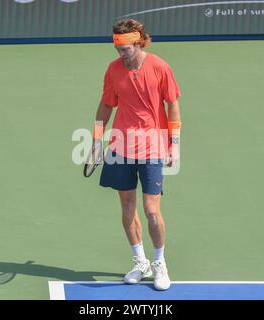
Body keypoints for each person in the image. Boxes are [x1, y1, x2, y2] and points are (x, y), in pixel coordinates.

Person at [92, 18, 181, 291]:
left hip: (153, 145)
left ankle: (159, 263)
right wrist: (97, 138)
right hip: (121, 146)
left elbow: (173, 106)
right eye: (118, 48)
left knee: (152, 210)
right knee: (127, 207)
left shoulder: (160, 67)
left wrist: (174, 143)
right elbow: (106, 105)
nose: (121, 54)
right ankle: (140, 261)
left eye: (126, 48)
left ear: (139, 42)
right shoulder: (113, 69)